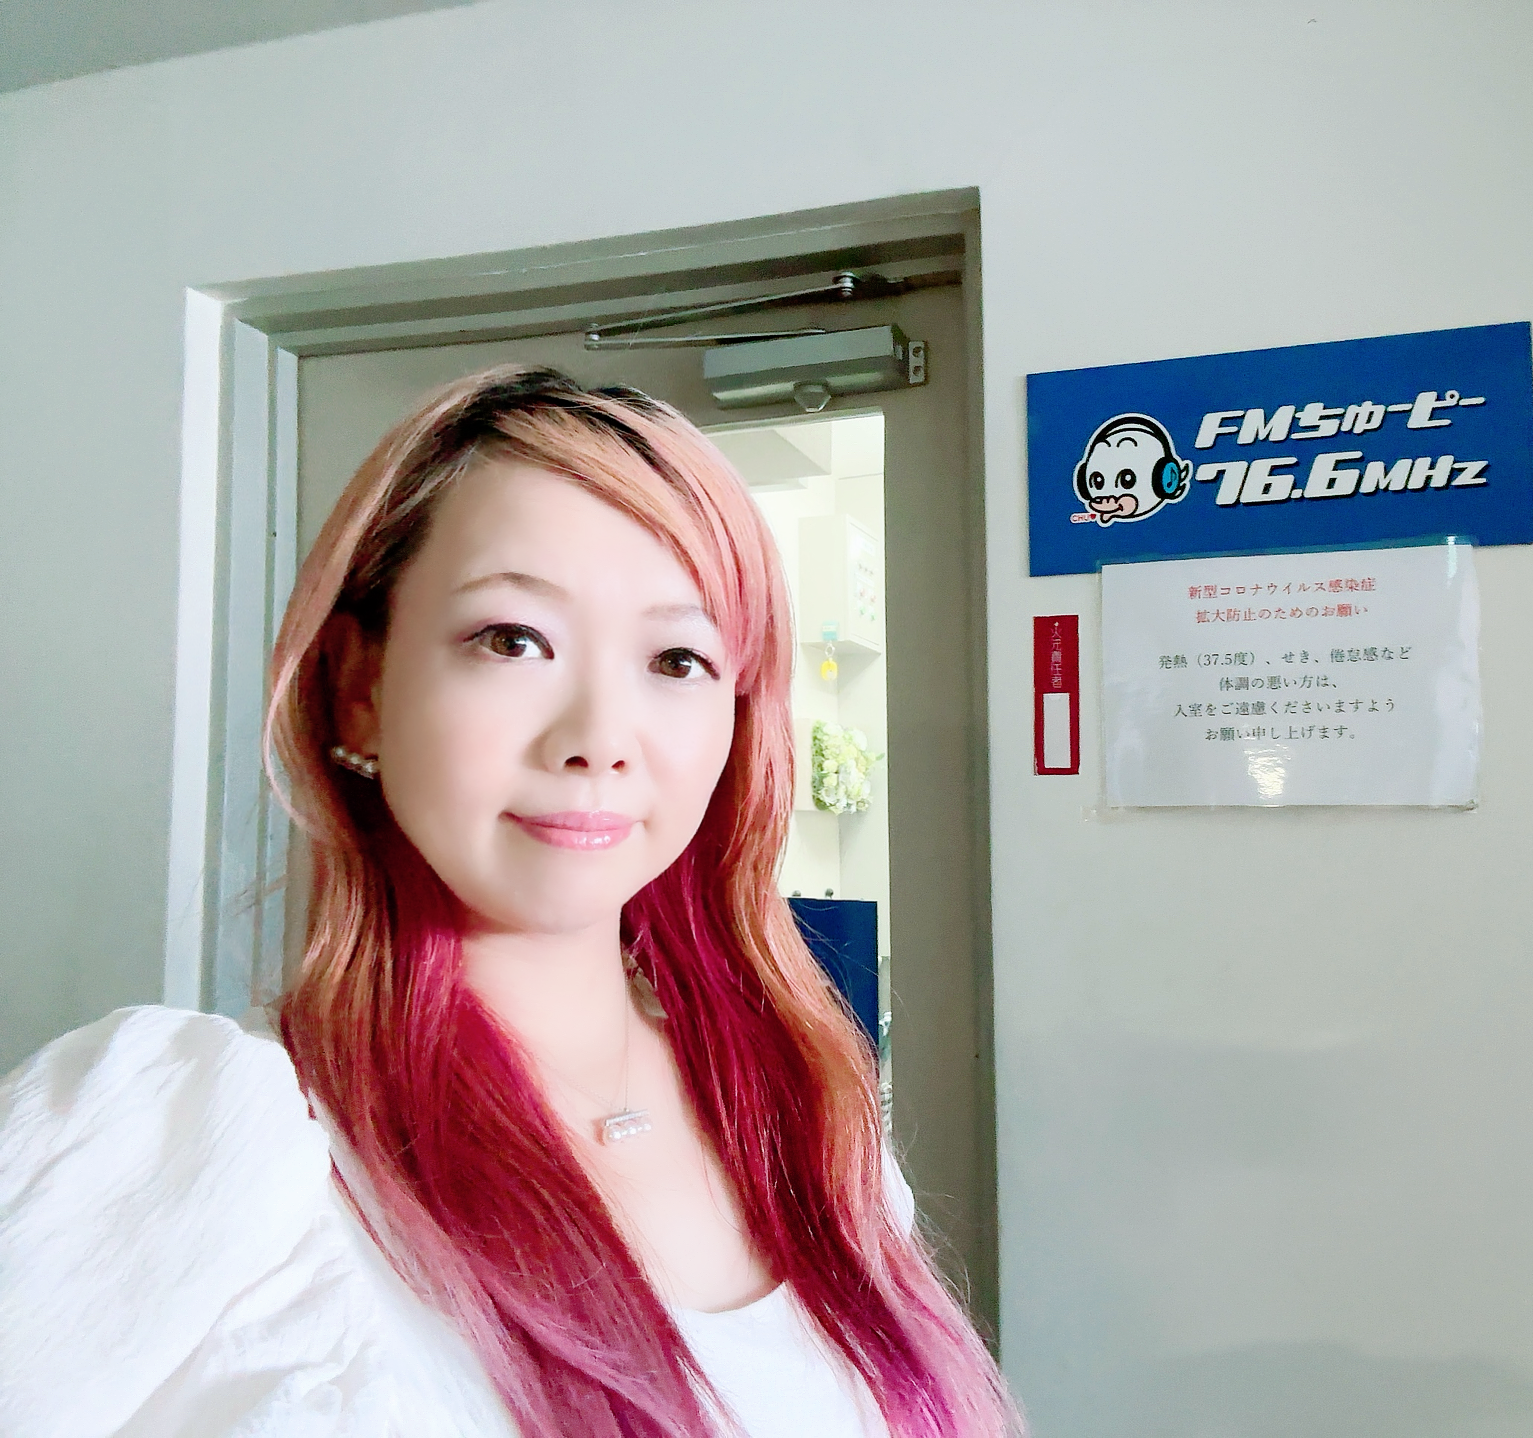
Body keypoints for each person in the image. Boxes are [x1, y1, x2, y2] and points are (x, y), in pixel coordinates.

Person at [0, 367, 1017, 1437]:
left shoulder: (808, 1121)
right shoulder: (200, 1137)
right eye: (512, 639)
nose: (599, 738)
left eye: (677, 658)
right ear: (359, 686)